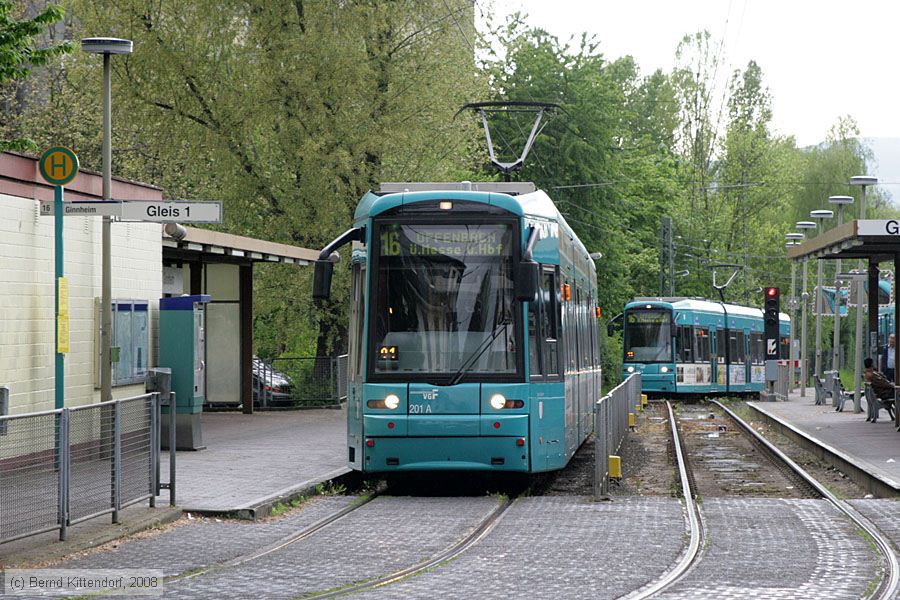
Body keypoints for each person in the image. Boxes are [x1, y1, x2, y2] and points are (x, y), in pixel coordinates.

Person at [864, 357, 895, 421]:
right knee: (897, 394)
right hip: (885, 393)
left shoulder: (869, 373)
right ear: (872, 364)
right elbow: (882, 383)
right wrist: (892, 385)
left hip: (882, 392)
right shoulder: (872, 375)